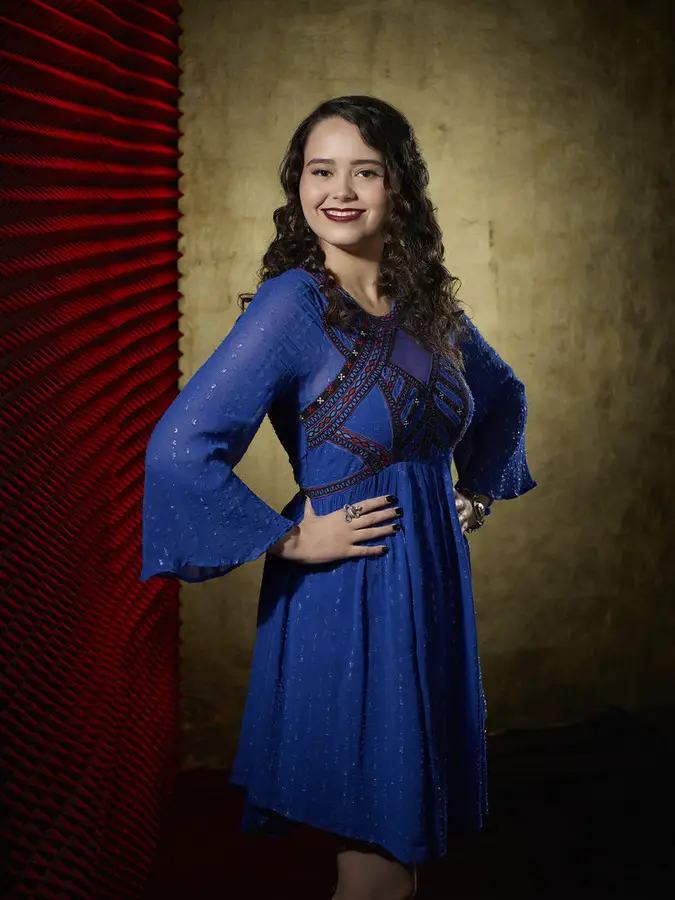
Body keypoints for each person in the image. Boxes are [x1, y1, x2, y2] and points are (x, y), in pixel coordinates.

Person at [141, 95, 537, 900]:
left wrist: (473, 491)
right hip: (348, 591)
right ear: (298, 185)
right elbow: (178, 449)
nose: (341, 191)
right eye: (320, 171)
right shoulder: (294, 302)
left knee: (391, 865)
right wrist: (288, 540)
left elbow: (505, 396)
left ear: (400, 187)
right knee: (379, 867)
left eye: (365, 171)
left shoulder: (424, 304)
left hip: (430, 583)